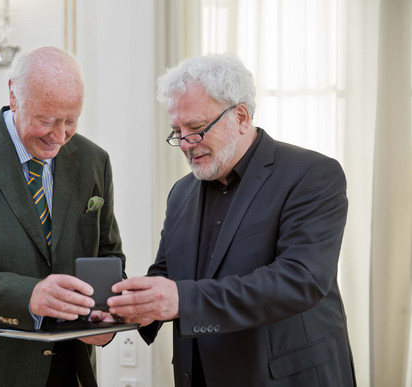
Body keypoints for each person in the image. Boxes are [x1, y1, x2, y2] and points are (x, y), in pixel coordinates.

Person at [108, 53, 356, 386]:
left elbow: (300, 280)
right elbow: (168, 274)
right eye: (176, 131)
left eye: (195, 129)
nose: (184, 144)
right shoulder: (181, 193)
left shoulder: (311, 175)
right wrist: (128, 308)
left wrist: (182, 300)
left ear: (240, 116)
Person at [0, 46, 125, 387]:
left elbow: (108, 254)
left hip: (67, 365)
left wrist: (105, 319)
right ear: (14, 96)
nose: (59, 136)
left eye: (71, 121)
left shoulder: (94, 160)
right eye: (46, 120)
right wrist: (29, 296)